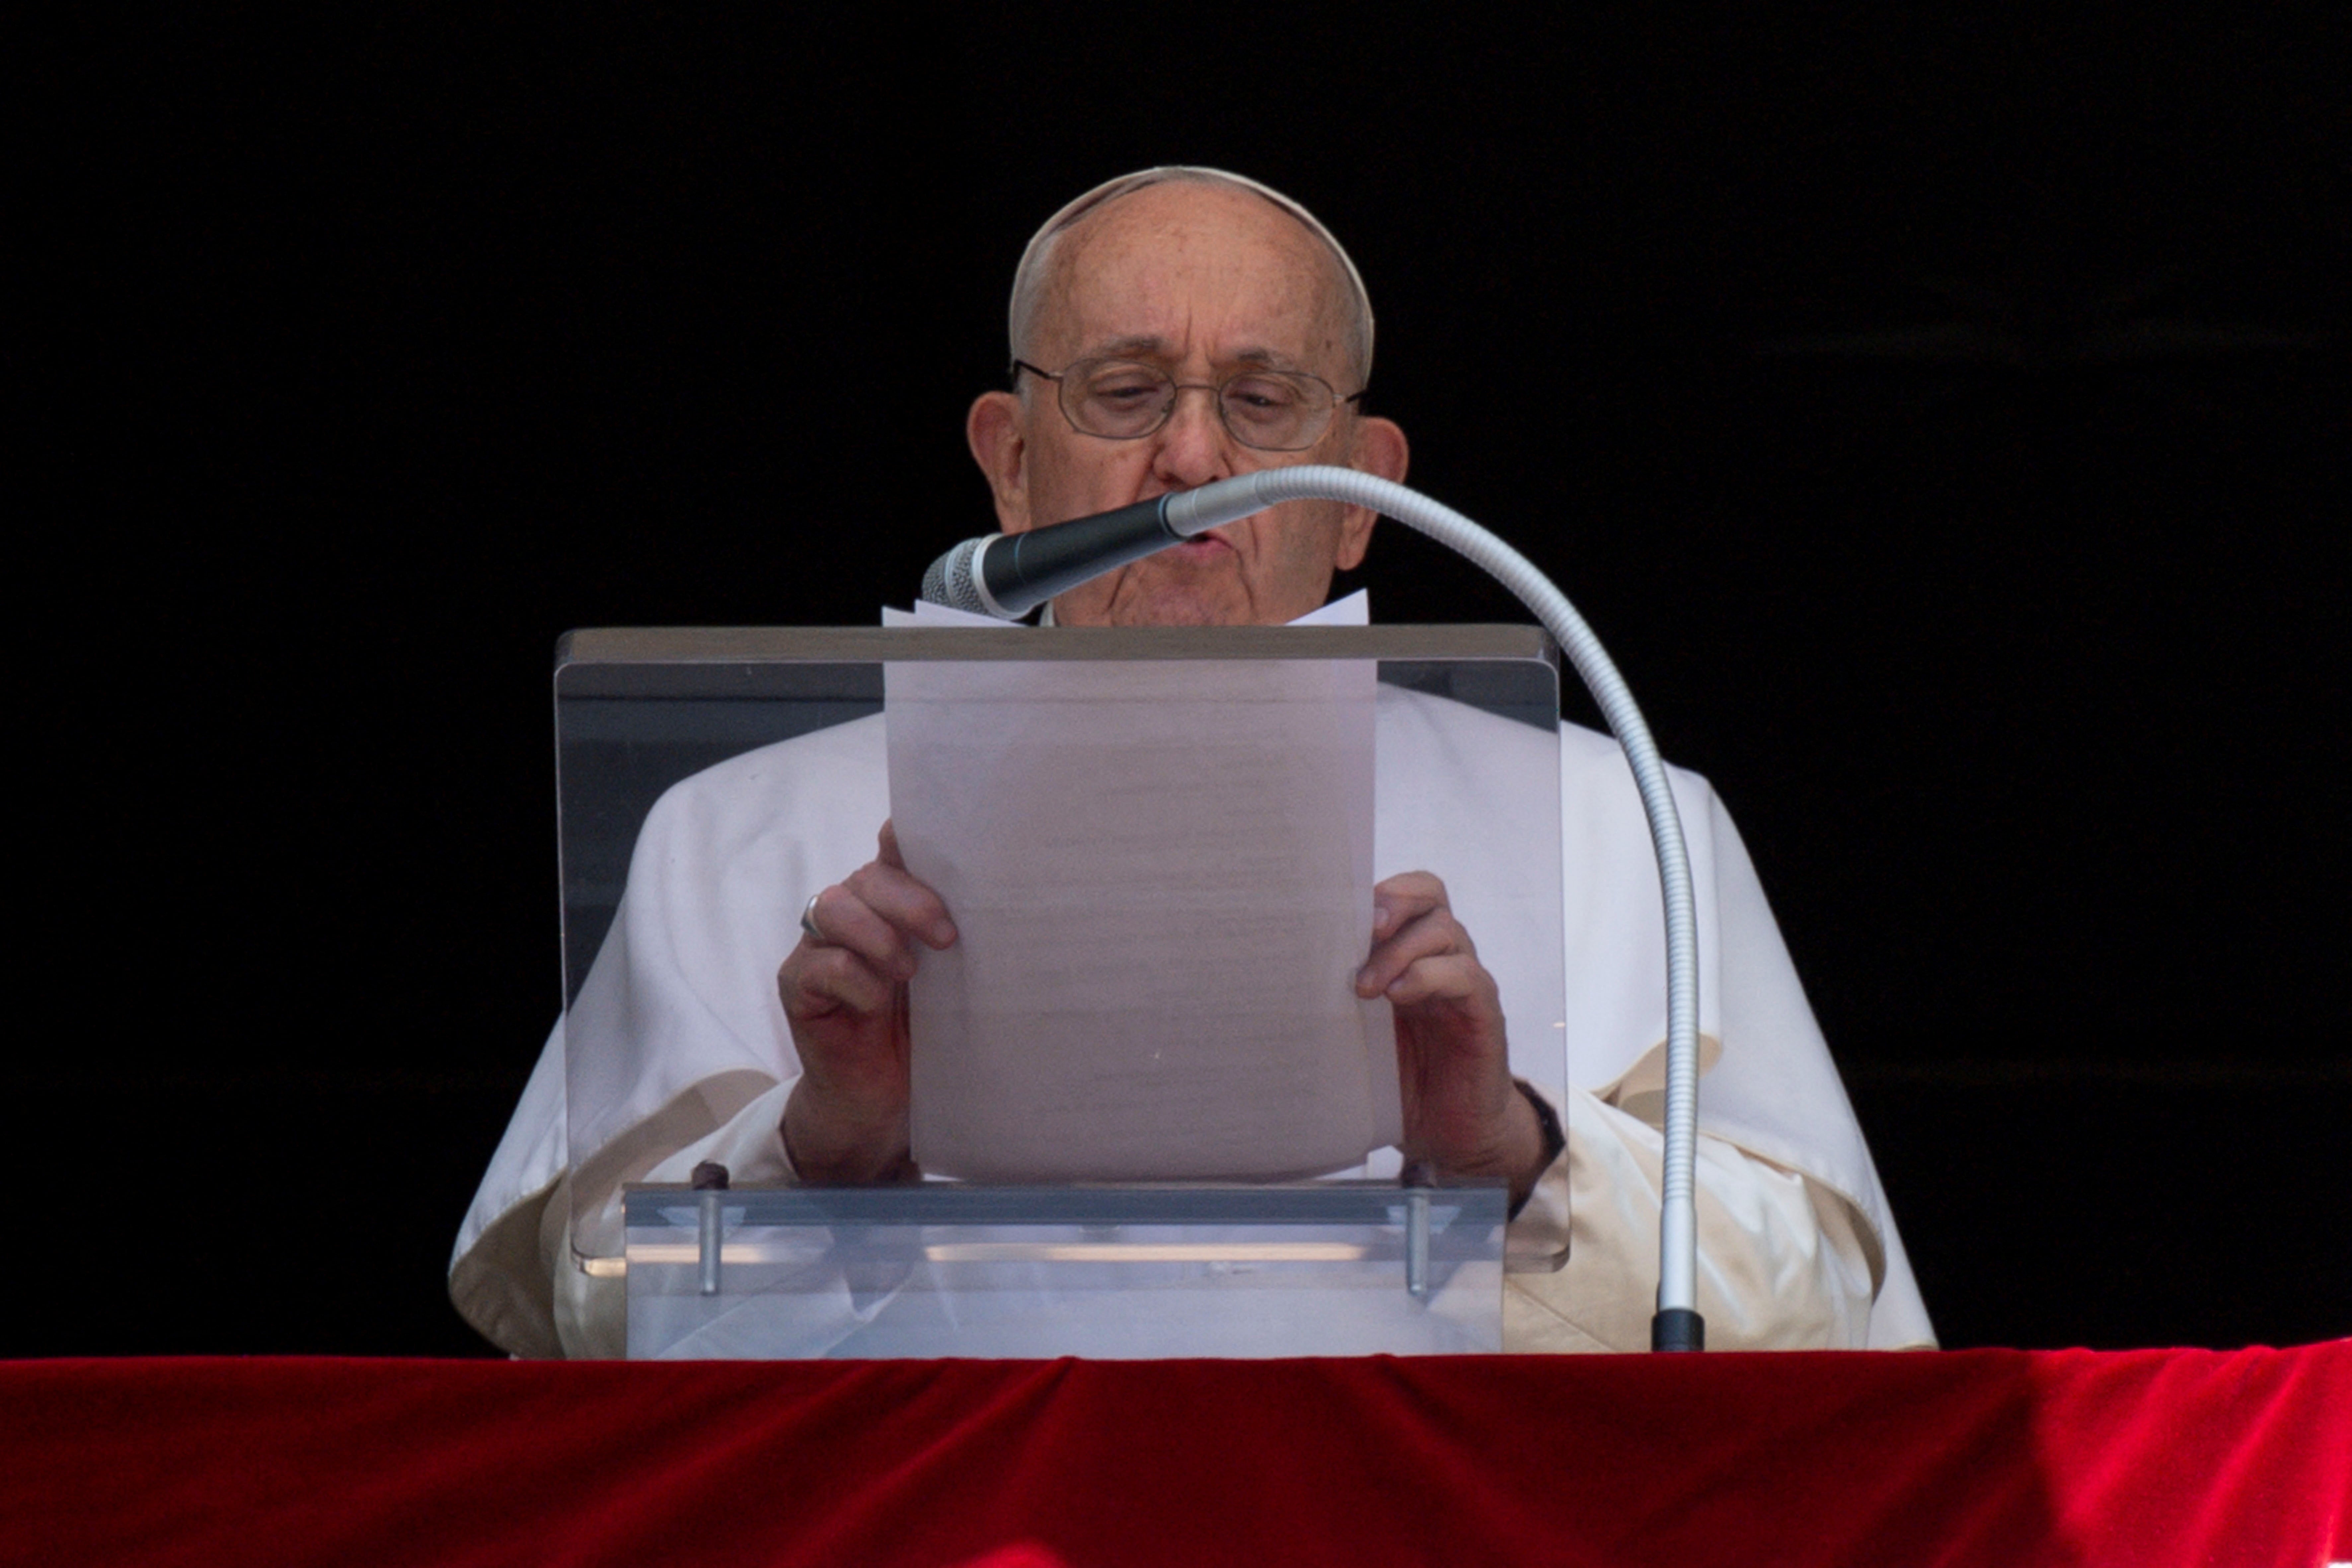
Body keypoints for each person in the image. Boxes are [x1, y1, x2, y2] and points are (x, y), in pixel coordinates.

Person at [451, 168, 1935, 1356]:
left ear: (1363, 497)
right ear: (1007, 459)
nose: (1188, 461)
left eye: (1261, 401)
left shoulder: (1626, 825)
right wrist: (815, 1149)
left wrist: (1513, 1153)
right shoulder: (737, 834)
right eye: (1121, 391)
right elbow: (589, 1337)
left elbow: (1811, 1330)